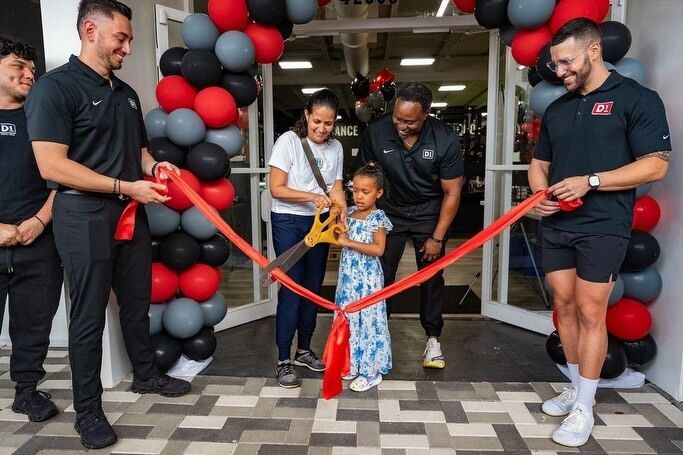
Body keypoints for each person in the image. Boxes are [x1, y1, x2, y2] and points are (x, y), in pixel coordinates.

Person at [25, 0, 190, 449]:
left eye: (130, 39)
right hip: (83, 216)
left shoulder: (126, 93)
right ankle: (88, 412)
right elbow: (52, 166)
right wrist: (124, 185)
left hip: (129, 213)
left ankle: (146, 375)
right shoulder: (55, 88)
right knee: (88, 316)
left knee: (136, 301)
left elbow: (139, 152)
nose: (127, 48)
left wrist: (155, 167)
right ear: (90, 30)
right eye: (121, 38)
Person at [528, 18, 670, 448]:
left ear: (594, 51)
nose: (560, 72)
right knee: (564, 307)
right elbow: (539, 165)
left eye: (566, 62)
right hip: (558, 224)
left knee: (592, 311)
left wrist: (590, 181)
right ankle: (576, 387)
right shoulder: (557, 109)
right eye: (555, 65)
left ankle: (585, 408)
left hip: (604, 225)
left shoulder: (636, 98)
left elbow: (656, 164)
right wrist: (540, 195)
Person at [360, 82, 463, 369]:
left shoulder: (444, 137)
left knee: (431, 277)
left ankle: (433, 340)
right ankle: (377, 339)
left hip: (428, 213)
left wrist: (437, 237)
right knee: (381, 275)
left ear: (426, 114)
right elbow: (367, 180)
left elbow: (452, 192)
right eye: (397, 118)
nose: (401, 125)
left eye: (410, 121)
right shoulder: (376, 131)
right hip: (390, 210)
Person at [0, 37, 63, 423]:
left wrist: (40, 221)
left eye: (32, 70)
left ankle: (26, 392)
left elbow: (62, 177)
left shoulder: (43, 119)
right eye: (18, 67)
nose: (28, 75)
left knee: (33, 326)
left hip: (38, 242)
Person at [268, 88, 347, 388]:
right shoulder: (288, 142)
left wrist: (341, 214)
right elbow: (277, 188)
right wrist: (310, 196)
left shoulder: (336, 148)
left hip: (320, 223)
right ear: (306, 114)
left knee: (313, 287)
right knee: (292, 289)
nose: (322, 129)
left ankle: (303, 350)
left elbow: (336, 187)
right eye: (317, 121)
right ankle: (283, 360)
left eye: (328, 123)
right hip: (288, 221)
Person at [335, 162, 393, 392]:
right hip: (348, 278)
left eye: (365, 192)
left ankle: (371, 371)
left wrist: (348, 242)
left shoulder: (377, 218)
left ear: (378, 193)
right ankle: (352, 364)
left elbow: (379, 249)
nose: (359, 196)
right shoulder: (348, 212)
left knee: (368, 321)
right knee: (349, 319)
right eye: (355, 190)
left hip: (368, 280)